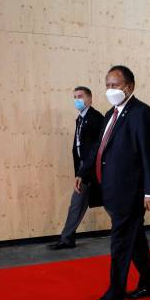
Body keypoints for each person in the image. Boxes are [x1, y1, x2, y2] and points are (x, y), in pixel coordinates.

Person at [82, 66, 150, 300]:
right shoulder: (111, 113)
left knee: (119, 244)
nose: (110, 90)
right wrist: (82, 173)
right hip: (112, 190)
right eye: (107, 84)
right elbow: (99, 147)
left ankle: (113, 296)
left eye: (115, 85)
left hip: (131, 192)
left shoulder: (142, 114)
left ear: (130, 87)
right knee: (134, 240)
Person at [49, 87, 104, 250]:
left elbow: (97, 147)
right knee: (77, 203)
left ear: (90, 99)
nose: (77, 100)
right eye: (74, 97)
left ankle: (132, 232)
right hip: (83, 169)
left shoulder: (95, 118)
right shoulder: (80, 119)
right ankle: (67, 238)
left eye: (80, 96)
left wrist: (84, 170)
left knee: (110, 203)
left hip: (94, 169)